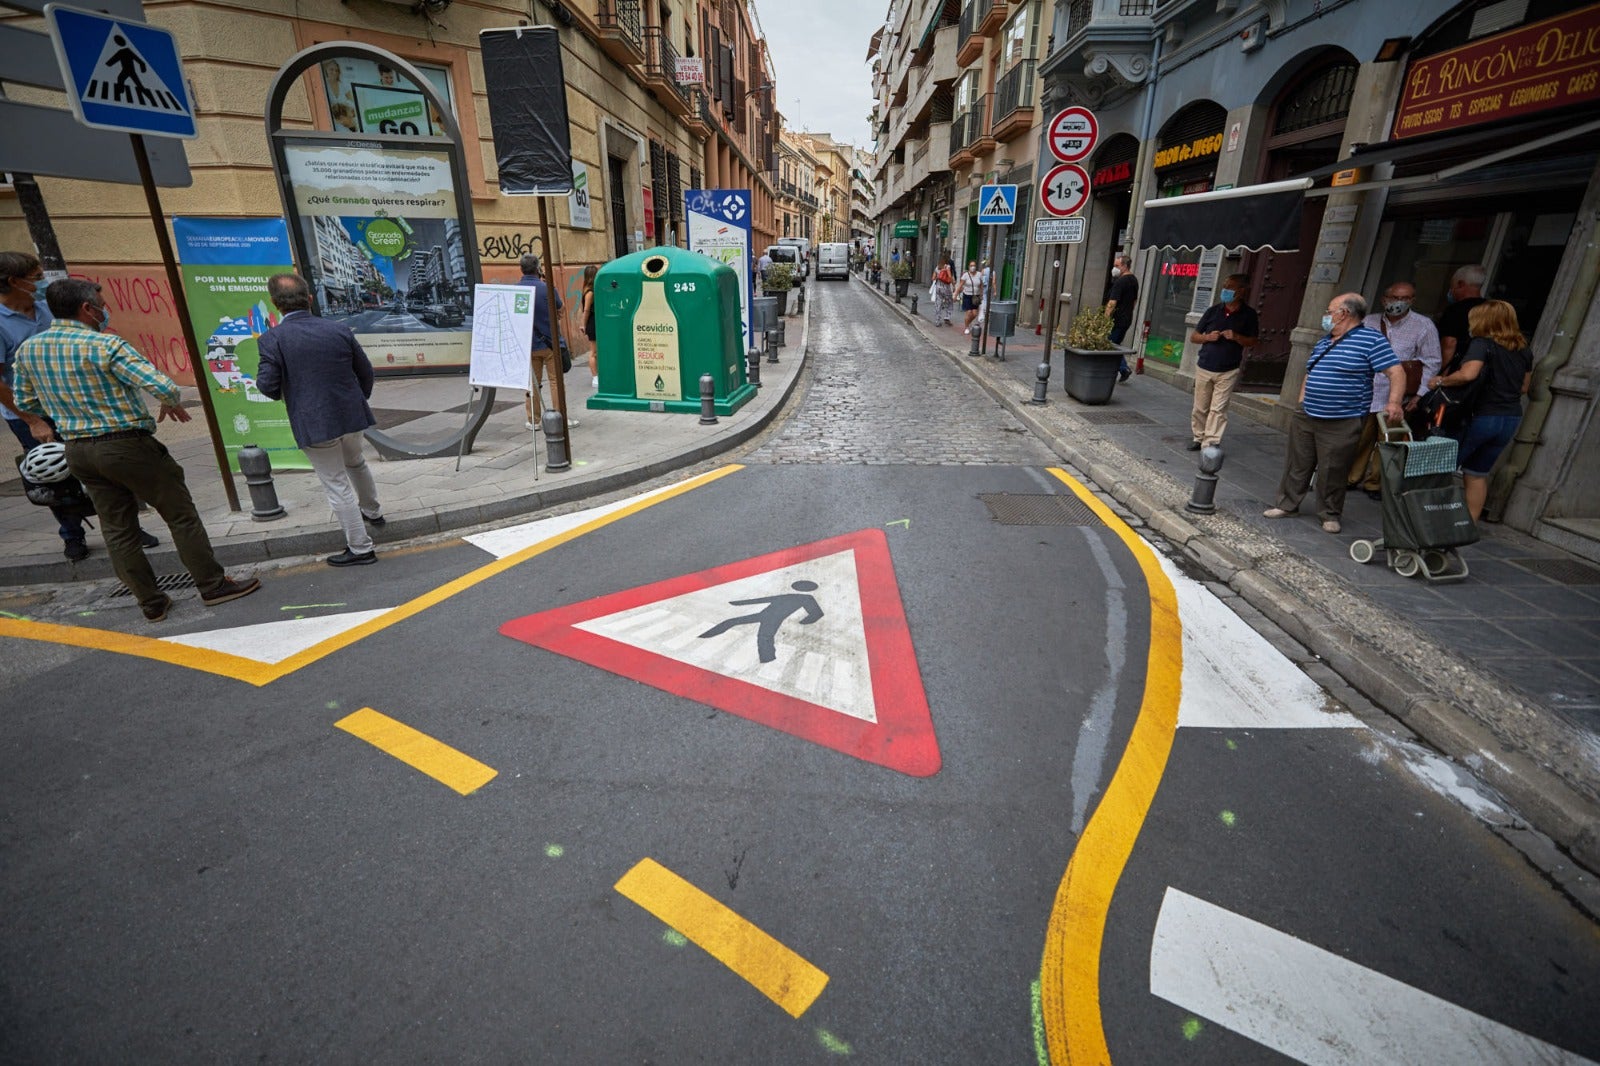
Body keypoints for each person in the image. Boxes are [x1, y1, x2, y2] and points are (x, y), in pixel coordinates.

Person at [12, 279, 259, 621]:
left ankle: (151, 602)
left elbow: (24, 401)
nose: (104, 309)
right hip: (125, 443)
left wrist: (66, 409)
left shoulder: (29, 349)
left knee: (117, 528)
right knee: (180, 515)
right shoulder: (104, 345)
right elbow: (163, 385)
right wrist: (169, 402)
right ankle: (212, 585)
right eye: (101, 303)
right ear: (87, 309)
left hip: (78, 449)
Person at [255, 273, 386, 568]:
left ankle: (361, 547)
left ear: (275, 304)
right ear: (310, 299)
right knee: (356, 463)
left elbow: (267, 385)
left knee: (336, 483)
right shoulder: (338, 330)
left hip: (315, 422)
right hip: (352, 415)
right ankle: (373, 512)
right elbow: (365, 372)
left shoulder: (272, 339)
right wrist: (357, 400)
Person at [1263, 293, 1406, 535]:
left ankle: (1329, 513)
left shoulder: (1372, 340)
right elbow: (1310, 373)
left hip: (1343, 418)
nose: (1326, 316)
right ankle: (1287, 504)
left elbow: (1396, 372)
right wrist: (1301, 403)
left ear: (1344, 313)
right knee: (1298, 462)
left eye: (1330, 311)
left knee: (1333, 468)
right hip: (1308, 414)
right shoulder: (1324, 341)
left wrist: (1394, 403)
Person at [1427, 299, 1532, 522]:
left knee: (1442, 468)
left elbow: (1468, 374)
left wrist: (1440, 381)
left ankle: (1432, 520)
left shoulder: (1482, 344)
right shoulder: (1523, 350)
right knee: (1477, 473)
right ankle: (1469, 524)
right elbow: (1524, 387)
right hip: (1510, 418)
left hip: (1480, 416)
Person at [1347, 281, 1441, 496]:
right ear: (1384, 299)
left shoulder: (1423, 326)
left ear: (1412, 301)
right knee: (1361, 437)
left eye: (1405, 298)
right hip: (1366, 391)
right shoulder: (1368, 322)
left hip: (1397, 395)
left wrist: (1420, 394)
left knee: (1389, 441)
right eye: (1394, 297)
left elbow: (1432, 362)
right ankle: (1352, 476)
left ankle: (1376, 483)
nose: (1399, 303)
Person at [1186, 274, 1258, 452]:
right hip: (1205, 365)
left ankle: (1211, 442)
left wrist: (1236, 337)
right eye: (1225, 286)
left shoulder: (1249, 315)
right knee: (1200, 407)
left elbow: (1253, 341)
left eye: (1230, 287)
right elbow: (1194, 337)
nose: (1225, 290)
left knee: (1218, 409)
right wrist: (1207, 337)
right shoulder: (1213, 311)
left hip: (1228, 369)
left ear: (1241, 291)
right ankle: (1199, 436)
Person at [517, 254, 572, 430]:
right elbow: (560, 309)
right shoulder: (546, 288)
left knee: (533, 383)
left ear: (522, 269)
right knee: (556, 382)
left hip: (529, 345)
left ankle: (534, 420)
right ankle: (559, 417)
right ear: (538, 268)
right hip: (550, 343)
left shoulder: (517, 290)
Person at [1435, 264, 1486, 368]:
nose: (1450, 291)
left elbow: (1449, 344)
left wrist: (1441, 375)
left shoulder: (1455, 310)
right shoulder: (1492, 309)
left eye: (1452, 286)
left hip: (1458, 368)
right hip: (1483, 370)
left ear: (1460, 284)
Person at [1104, 254, 1140, 383]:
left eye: (1117, 266)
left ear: (1124, 266)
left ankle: (1121, 369)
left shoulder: (1120, 282)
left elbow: (1112, 303)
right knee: (1115, 345)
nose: (1114, 268)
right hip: (1126, 319)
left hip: (1117, 320)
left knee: (1110, 346)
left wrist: (1104, 320)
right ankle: (1123, 368)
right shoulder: (1134, 280)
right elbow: (1134, 301)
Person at [580, 263, 599, 389]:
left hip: (594, 322)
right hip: (592, 323)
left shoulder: (590, 290)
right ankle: (595, 378)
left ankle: (597, 375)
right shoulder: (590, 292)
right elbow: (586, 310)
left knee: (597, 351)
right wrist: (583, 324)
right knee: (594, 352)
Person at [959, 261, 984, 335]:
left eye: (974, 265)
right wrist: (955, 294)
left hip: (976, 296)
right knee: (969, 312)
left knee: (975, 313)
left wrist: (981, 294)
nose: (973, 267)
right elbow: (960, 285)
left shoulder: (979, 274)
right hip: (967, 295)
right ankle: (966, 327)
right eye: (971, 265)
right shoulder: (965, 275)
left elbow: (981, 285)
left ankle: (968, 322)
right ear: (969, 267)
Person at [931, 258, 955, 326]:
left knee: (938, 304)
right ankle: (947, 316)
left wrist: (939, 277)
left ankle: (937, 321)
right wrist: (953, 285)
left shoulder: (937, 268)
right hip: (946, 288)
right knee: (950, 302)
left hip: (938, 288)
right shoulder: (947, 267)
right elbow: (950, 277)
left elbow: (933, 278)